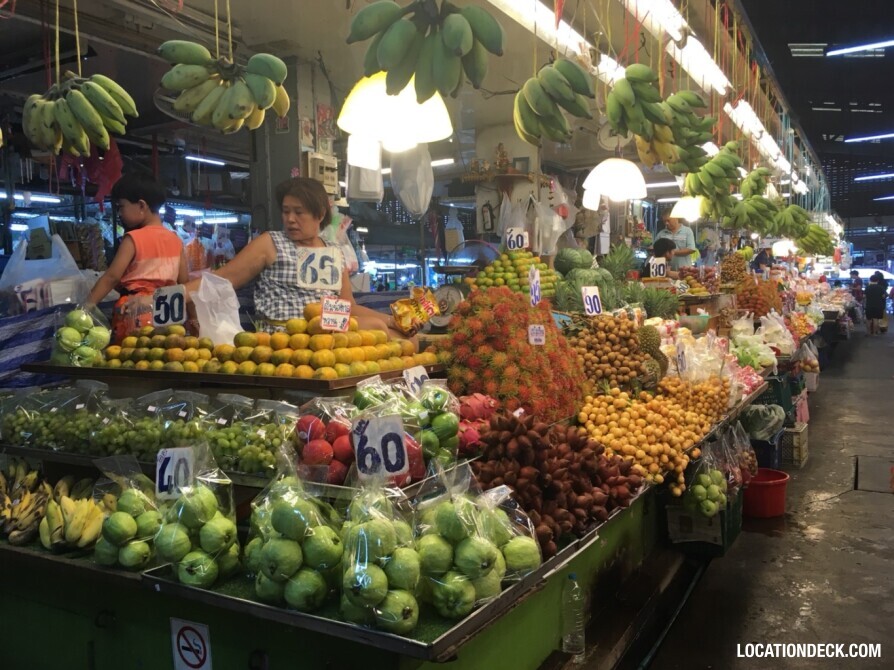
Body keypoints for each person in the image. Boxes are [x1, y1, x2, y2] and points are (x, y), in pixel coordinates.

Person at [183, 177, 409, 343]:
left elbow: (347, 307)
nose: (290, 219)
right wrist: (171, 296)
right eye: (285, 211)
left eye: (298, 212)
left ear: (320, 214)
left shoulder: (333, 252)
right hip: (286, 337)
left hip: (330, 330)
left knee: (407, 340)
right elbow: (223, 278)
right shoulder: (271, 242)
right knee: (376, 327)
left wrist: (392, 321)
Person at [86, 173, 195, 343]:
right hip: (171, 314)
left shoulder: (133, 239)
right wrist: (193, 318)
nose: (120, 213)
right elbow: (185, 285)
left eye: (121, 207)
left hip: (136, 313)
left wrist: (87, 306)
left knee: (133, 360)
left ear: (142, 206)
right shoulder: (176, 240)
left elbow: (111, 278)